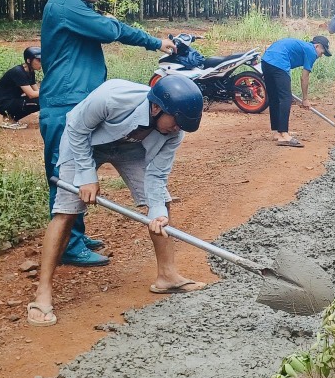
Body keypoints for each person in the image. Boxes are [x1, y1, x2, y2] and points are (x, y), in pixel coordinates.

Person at [26, 76, 205, 327]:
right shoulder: (112, 96)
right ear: (156, 108)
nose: (178, 128)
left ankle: (167, 276)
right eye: (176, 122)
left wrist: (156, 212)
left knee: (162, 204)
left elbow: (157, 175)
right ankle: (42, 293)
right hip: (83, 143)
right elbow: (77, 128)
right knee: (67, 211)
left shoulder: (174, 132)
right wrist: (87, 176)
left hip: (132, 149)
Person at [40, 0, 176, 267]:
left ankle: (75, 235)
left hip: (79, 100)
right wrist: (154, 42)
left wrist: (107, 20)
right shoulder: (65, 5)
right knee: (66, 177)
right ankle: (70, 246)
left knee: (75, 172)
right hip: (65, 103)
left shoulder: (74, 5)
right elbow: (109, 31)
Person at [260, 35, 331, 147]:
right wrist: (305, 99)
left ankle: (277, 132)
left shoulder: (304, 47)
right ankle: (284, 134)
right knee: (286, 98)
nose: (321, 56)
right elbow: (304, 77)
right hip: (279, 62)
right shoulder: (311, 51)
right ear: (317, 46)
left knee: (275, 97)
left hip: (266, 60)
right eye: (322, 52)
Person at [0, 46, 42, 129]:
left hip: (10, 101)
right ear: (28, 60)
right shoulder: (18, 72)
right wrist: (50, 92)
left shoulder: (30, 72)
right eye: (38, 60)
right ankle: (9, 119)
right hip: (3, 104)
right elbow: (31, 94)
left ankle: (10, 118)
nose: (41, 62)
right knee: (40, 101)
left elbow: (36, 91)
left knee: (42, 98)